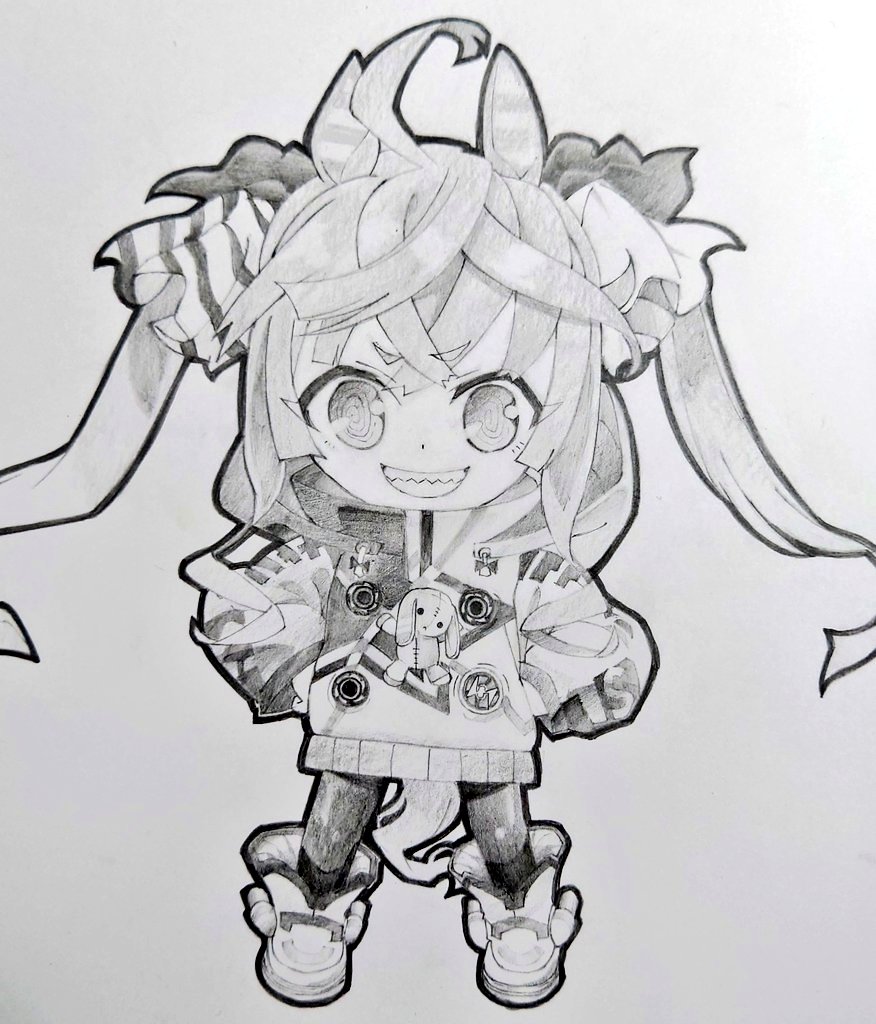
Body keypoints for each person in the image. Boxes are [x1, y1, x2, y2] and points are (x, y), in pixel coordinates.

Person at [1, 17, 873, 1009]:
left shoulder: (510, 538)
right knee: (340, 799)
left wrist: (571, 643)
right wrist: (276, 610)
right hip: (361, 706)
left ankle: (516, 900)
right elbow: (286, 589)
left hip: (486, 708)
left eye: (491, 409)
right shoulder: (345, 533)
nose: (422, 449)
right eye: (355, 404)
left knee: (500, 809)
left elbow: (554, 605)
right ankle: (315, 898)